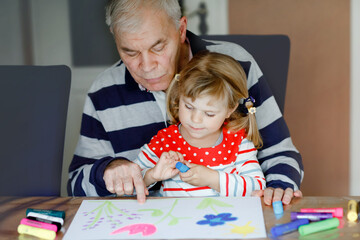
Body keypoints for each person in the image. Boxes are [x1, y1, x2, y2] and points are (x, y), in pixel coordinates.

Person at [68, 0, 303, 204]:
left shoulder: (237, 66)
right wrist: (107, 171)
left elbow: (279, 154)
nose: (147, 66)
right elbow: (76, 185)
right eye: (130, 52)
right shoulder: (102, 92)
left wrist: (278, 189)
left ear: (181, 30)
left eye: (158, 47)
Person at [133, 51, 265, 197]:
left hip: (226, 219)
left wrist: (212, 178)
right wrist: (152, 175)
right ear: (179, 95)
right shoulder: (165, 141)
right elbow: (130, 184)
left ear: (230, 109)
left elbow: (257, 188)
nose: (195, 119)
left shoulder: (238, 142)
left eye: (209, 113)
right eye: (189, 107)